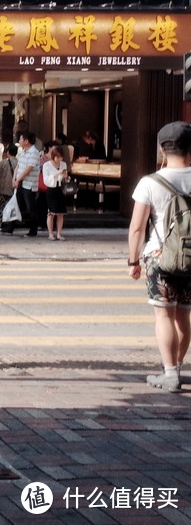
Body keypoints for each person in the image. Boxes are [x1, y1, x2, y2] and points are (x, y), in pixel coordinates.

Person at [127, 121, 191, 394]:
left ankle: (169, 374)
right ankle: (176, 366)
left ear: (162, 150)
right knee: (183, 317)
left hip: (160, 257)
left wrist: (133, 262)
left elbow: (137, 227)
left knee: (163, 315)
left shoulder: (150, 183)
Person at [2, 131, 41, 237]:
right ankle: (10, 228)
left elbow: (29, 169)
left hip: (29, 184)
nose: (19, 141)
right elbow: (18, 166)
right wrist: (14, 179)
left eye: (20, 139)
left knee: (30, 207)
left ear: (26, 141)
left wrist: (18, 179)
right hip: (20, 183)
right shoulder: (22, 151)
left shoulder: (34, 153)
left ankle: (33, 230)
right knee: (16, 204)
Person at [42, 144, 69, 241]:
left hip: (60, 189)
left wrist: (65, 176)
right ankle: (50, 233)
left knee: (60, 213)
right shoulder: (46, 165)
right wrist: (57, 173)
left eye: (61, 157)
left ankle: (59, 233)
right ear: (54, 156)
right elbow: (46, 180)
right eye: (58, 157)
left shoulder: (63, 164)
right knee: (51, 213)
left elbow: (65, 177)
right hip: (51, 189)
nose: (59, 159)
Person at [0, 143, 18, 228]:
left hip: (2, 189)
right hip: (13, 189)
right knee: (11, 207)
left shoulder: (3, 163)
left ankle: (0, 224)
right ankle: (9, 225)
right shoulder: (18, 163)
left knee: (1, 207)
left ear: (7, 152)